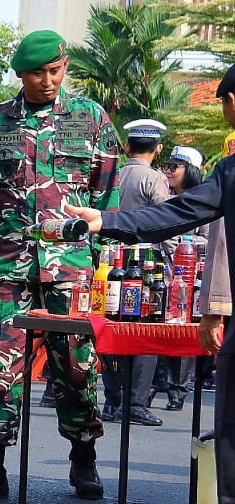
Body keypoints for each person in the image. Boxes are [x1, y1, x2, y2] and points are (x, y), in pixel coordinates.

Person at [64, 64, 235, 504]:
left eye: (226, 105)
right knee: (229, 430)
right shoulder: (231, 170)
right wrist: (107, 220)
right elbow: (178, 213)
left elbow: (177, 214)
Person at [0, 30, 120, 503]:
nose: (48, 81)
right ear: (20, 75)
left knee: (76, 365)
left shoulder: (91, 120)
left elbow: (105, 197)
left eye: (55, 70)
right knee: (1, 364)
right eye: (37, 73)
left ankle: (83, 456)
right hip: (8, 266)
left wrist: (102, 263)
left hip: (71, 268)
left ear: (64, 66)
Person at [96, 119, 170, 426]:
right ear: (158, 149)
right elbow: (167, 223)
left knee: (111, 330)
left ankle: (112, 400)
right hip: (146, 266)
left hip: (109, 262)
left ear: (127, 147)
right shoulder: (154, 180)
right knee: (146, 331)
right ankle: (137, 402)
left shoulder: (113, 174)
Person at [154, 145, 207, 411]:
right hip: (163, 275)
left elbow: (210, 241)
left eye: (174, 167)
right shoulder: (167, 199)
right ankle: (160, 382)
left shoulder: (205, 202)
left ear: (192, 171)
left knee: (184, 334)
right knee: (162, 331)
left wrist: (184, 241)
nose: (168, 172)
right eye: (167, 166)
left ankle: (179, 389)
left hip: (191, 278)